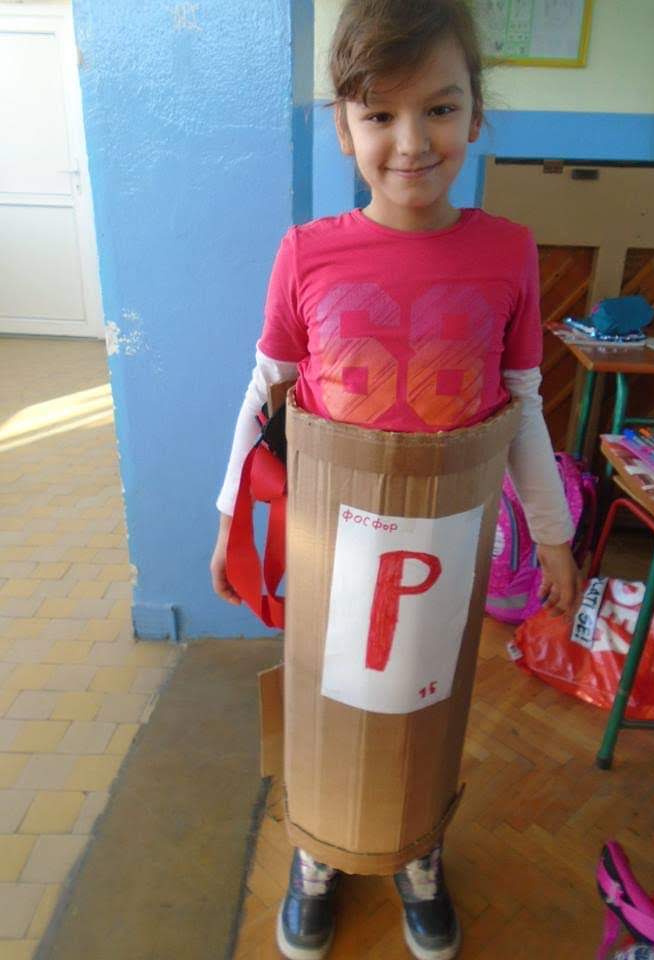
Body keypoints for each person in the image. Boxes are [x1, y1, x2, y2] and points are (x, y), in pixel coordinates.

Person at [211, 1, 582, 957]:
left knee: (425, 700)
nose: (411, 143)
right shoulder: (308, 253)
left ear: (475, 114)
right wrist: (229, 519)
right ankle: (316, 851)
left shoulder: (508, 251)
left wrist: (551, 532)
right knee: (328, 696)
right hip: (330, 542)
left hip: (448, 543)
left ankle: (420, 848)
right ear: (343, 126)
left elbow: (523, 403)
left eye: (440, 109)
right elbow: (266, 392)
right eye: (379, 114)